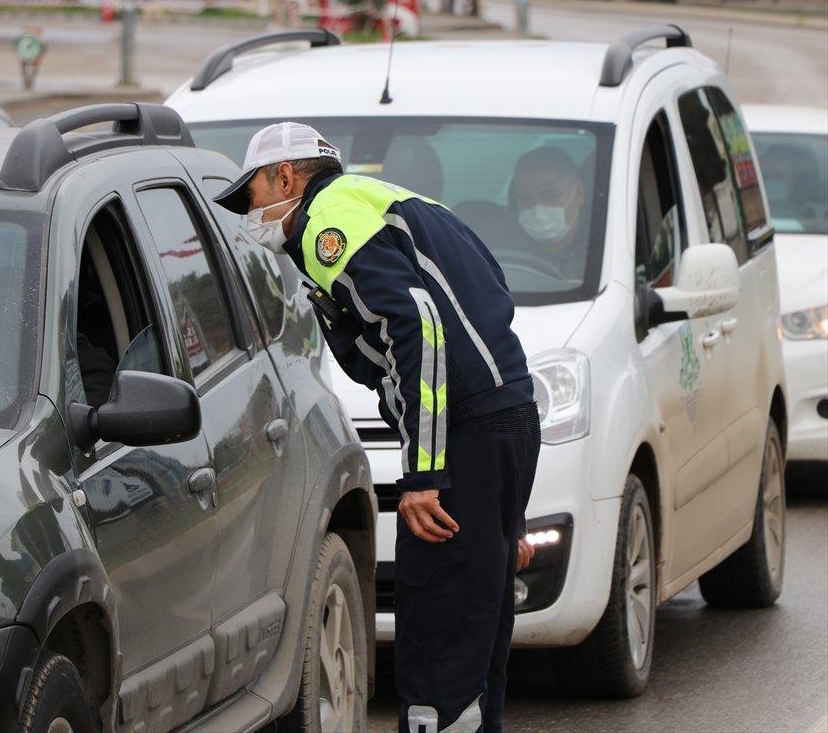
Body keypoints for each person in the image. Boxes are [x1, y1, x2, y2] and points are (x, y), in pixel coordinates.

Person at [211, 122, 540, 733]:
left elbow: (417, 326)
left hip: (465, 436)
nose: (248, 212)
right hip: (506, 424)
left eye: (250, 192)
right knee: (476, 640)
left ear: (285, 176)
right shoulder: (387, 201)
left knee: (438, 641)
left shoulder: (326, 221)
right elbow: (489, 297)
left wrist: (425, 474)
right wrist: (507, 507)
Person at [509, 146, 588, 281]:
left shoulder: (603, 251)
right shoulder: (501, 246)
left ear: (579, 193)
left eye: (550, 196)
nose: (538, 209)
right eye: (526, 199)